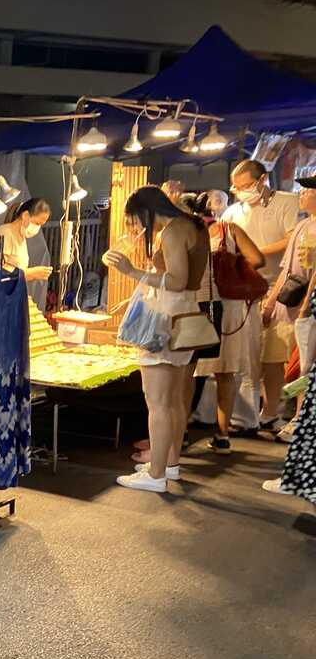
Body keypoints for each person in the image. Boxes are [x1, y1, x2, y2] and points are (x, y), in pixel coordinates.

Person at [103, 187, 210, 492]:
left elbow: (175, 281)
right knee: (174, 400)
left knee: (158, 402)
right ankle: (169, 464)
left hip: (165, 319)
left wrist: (132, 271)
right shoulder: (193, 226)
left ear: (146, 211)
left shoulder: (173, 231)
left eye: (136, 220)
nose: (137, 227)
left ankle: (156, 474)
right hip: (184, 316)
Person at [178, 191, 264, 454]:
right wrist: (232, 265)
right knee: (224, 372)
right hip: (230, 307)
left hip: (199, 304)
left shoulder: (186, 233)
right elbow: (258, 260)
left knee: (187, 371)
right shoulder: (229, 229)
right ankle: (222, 436)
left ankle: (180, 433)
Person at [225, 159, 301, 433]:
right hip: (242, 291)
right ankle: (245, 414)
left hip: (278, 287)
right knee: (246, 358)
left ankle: (272, 412)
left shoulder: (287, 202)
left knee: (273, 355)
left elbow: (292, 240)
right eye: (236, 187)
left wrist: (254, 251)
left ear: (262, 180)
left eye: (245, 186)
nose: (241, 191)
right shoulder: (233, 212)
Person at [262, 177, 316, 442]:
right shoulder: (302, 226)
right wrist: (271, 301)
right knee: (285, 362)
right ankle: (284, 412)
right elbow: (285, 269)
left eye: (307, 190)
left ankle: (300, 418)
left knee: (306, 365)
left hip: (308, 308)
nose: (302, 195)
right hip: (289, 304)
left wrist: (307, 303)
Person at [0, 198, 53, 308]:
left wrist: (31, 274)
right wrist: (29, 273)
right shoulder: (4, 232)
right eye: (37, 223)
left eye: (41, 225)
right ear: (26, 215)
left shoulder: (21, 238)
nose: (37, 228)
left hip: (13, 298)